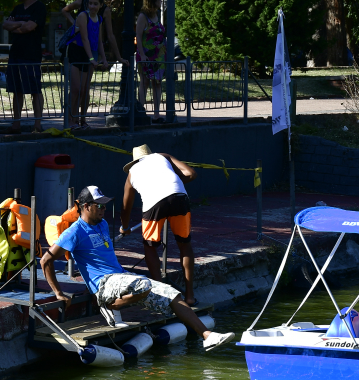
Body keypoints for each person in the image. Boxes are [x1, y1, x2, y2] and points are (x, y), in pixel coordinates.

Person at [39, 185, 234, 351]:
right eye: (98, 205)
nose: (103, 209)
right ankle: (109, 304)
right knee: (141, 284)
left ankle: (208, 336)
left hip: (121, 277)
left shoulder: (103, 224)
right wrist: (58, 293)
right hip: (103, 283)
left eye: (105, 205)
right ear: (85, 206)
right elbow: (45, 260)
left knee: (171, 292)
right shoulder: (74, 232)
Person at [119, 144, 198, 306]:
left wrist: (124, 228)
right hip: (179, 196)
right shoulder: (163, 156)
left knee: (150, 247)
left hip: (153, 204)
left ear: (134, 161)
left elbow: (125, 207)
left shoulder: (132, 174)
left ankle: (163, 297)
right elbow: (191, 174)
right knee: (185, 245)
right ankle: (190, 297)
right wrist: (173, 184)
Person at [2, 0, 46, 134]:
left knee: (35, 90)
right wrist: (21, 25)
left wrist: (17, 26)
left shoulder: (39, 7)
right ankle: (16, 125)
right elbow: (5, 25)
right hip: (15, 54)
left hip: (31, 55)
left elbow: (30, 27)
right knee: (16, 90)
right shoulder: (17, 9)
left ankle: (38, 126)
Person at [65, 0, 107, 130]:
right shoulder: (83, 16)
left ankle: (83, 119)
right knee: (76, 89)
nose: (92, 6)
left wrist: (104, 59)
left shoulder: (99, 19)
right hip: (77, 52)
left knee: (85, 90)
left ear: (101, 5)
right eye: (90, 3)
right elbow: (84, 38)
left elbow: (99, 41)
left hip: (90, 53)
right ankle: (72, 120)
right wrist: (92, 59)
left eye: (96, 4)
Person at [59, 0, 125, 66]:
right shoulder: (82, 3)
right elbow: (65, 10)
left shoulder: (104, 11)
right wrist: (75, 24)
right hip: (78, 45)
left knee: (87, 77)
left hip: (93, 45)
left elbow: (109, 35)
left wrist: (118, 57)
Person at [135, 0, 165, 123]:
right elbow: (139, 36)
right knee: (145, 82)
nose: (160, 2)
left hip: (158, 55)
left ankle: (156, 114)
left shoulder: (158, 14)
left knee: (157, 83)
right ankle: (141, 111)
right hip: (146, 54)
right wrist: (142, 54)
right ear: (153, 1)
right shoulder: (143, 16)